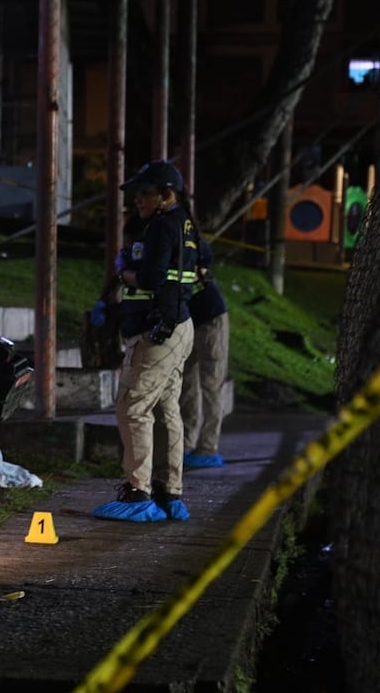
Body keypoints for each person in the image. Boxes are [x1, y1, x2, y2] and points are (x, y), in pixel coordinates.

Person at [94, 160, 196, 523]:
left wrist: (124, 272)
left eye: (145, 193)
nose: (138, 200)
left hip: (157, 333)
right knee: (167, 409)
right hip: (179, 327)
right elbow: (199, 266)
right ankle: (170, 493)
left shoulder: (160, 227)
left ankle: (137, 492)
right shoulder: (186, 223)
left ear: (165, 195)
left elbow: (151, 277)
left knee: (133, 406)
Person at [180, 236, 230, 468]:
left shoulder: (189, 246)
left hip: (210, 320)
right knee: (188, 383)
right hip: (190, 321)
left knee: (211, 384)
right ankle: (186, 444)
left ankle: (208, 446)